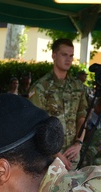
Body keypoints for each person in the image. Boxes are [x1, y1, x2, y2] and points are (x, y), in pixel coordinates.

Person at [29, 39, 89, 167]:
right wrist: (57, 155)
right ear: (54, 56)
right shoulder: (41, 87)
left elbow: (82, 117)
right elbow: (37, 123)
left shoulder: (77, 86)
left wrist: (79, 143)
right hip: (48, 157)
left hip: (73, 155)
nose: (68, 59)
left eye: (71, 55)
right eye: (64, 55)